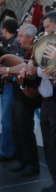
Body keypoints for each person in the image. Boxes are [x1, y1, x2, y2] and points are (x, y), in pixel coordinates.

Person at [24, 11, 56, 192]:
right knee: (49, 145)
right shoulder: (48, 43)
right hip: (46, 100)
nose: (43, 31)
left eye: (47, 27)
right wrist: (33, 70)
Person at [0, 24, 41, 177]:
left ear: (31, 37)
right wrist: (9, 75)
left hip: (27, 97)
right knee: (16, 129)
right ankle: (23, 162)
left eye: (21, 36)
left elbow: (24, 67)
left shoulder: (36, 52)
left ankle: (32, 165)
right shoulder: (21, 49)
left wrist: (7, 71)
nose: (18, 39)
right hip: (17, 94)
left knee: (25, 130)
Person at [0, 18, 23, 161]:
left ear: (5, 29)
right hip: (8, 85)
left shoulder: (13, 44)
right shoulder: (9, 42)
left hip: (12, 85)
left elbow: (16, 65)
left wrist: (6, 72)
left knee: (7, 121)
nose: (21, 40)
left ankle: (7, 150)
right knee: (8, 120)